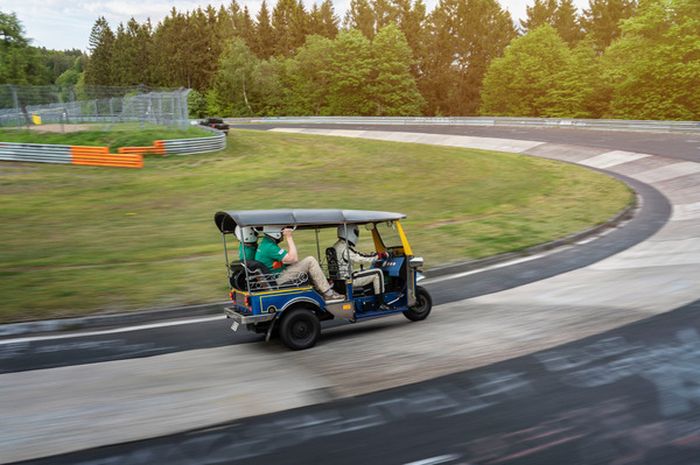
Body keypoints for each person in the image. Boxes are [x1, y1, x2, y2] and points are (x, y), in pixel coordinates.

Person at [255, 226, 344, 301]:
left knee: (302, 264)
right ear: (276, 233)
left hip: (275, 276)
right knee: (310, 261)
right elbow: (294, 258)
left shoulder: (265, 244)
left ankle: (320, 288)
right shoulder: (269, 247)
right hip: (278, 279)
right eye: (282, 231)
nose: (283, 234)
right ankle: (328, 293)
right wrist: (289, 237)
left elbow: (286, 260)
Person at [332, 225, 387, 305]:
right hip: (348, 280)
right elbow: (360, 258)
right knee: (377, 273)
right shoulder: (345, 249)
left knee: (366, 269)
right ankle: (381, 303)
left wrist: (372, 255)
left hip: (339, 281)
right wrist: (378, 256)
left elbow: (357, 255)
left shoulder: (336, 246)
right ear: (349, 232)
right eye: (356, 232)